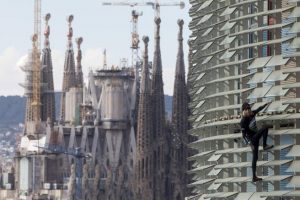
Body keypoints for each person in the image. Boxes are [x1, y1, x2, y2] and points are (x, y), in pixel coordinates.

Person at [240, 102, 273, 182]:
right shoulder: (243, 121)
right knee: (265, 127)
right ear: (243, 111)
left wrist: (266, 104)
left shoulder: (252, 113)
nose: (248, 111)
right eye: (246, 109)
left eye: (249, 109)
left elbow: (259, 109)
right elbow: (243, 136)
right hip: (252, 140)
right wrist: (250, 144)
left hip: (256, 137)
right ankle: (264, 145)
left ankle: (254, 177)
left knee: (255, 158)